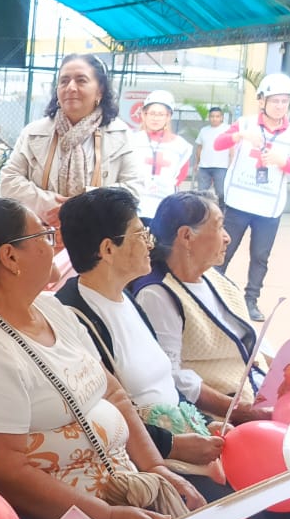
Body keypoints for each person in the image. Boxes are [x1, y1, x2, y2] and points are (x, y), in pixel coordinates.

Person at [0, 197, 201, 519]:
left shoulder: (51, 308)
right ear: (10, 256)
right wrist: (107, 516)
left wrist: (156, 468)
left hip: (126, 490)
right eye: (44, 235)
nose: (55, 245)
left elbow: (114, 394)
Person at [55, 188, 232, 499]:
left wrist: (203, 424)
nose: (151, 243)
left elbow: (163, 384)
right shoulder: (72, 315)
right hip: (145, 463)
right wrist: (172, 445)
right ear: (108, 249)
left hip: (179, 442)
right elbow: (101, 413)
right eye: (140, 234)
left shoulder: (127, 297)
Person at [132, 192, 271, 424]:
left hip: (255, 393)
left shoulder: (214, 278)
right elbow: (170, 376)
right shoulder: (158, 294)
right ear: (186, 236)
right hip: (223, 415)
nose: (227, 238)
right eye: (219, 227)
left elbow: (247, 336)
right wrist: (238, 411)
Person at [0, 53, 144, 231]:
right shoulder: (34, 133)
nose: (71, 87)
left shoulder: (121, 135)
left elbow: (133, 190)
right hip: (41, 235)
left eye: (81, 80)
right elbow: (9, 180)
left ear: (100, 90)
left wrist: (81, 208)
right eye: (64, 81)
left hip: (98, 237)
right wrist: (50, 206)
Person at [212, 73, 290, 322]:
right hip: (239, 202)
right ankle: (211, 294)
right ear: (262, 101)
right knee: (223, 249)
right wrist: (241, 136)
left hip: (269, 207)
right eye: (275, 100)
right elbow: (218, 144)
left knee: (260, 257)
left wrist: (282, 161)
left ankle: (250, 301)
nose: (280, 106)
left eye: (284, 101)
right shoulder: (245, 124)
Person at [132, 90, 193, 219]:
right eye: (152, 113)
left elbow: (180, 175)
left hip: (164, 207)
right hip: (133, 205)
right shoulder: (131, 140)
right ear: (143, 114)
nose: (155, 118)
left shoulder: (180, 145)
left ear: (168, 116)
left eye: (161, 114)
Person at [194, 107, 230, 200]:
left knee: (221, 193)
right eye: (212, 116)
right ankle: (203, 209)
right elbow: (199, 148)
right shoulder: (204, 130)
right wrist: (197, 163)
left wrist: (231, 165)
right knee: (201, 193)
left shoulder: (228, 129)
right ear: (209, 117)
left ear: (222, 117)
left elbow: (232, 149)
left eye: (217, 116)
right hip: (204, 167)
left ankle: (220, 209)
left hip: (221, 167)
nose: (214, 119)